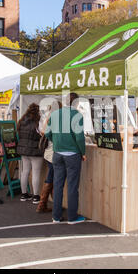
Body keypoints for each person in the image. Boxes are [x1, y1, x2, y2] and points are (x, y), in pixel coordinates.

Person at [45, 93, 86, 224]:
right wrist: (83, 152)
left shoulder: (55, 114)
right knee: (72, 187)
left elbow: (47, 133)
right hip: (72, 155)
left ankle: (56, 217)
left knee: (58, 186)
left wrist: (57, 142)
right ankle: (72, 218)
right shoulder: (77, 115)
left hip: (57, 154)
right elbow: (79, 137)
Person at [36, 101, 62, 213]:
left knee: (51, 176)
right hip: (53, 152)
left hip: (48, 152)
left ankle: (44, 204)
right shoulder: (56, 119)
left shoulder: (48, 118)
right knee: (54, 177)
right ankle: (47, 205)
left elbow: (43, 132)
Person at [16, 103, 44, 205]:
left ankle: (24, 194)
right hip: (35, 150)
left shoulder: (22, 121)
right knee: (36, 173)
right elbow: (42, 133)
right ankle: (36, 196)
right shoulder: (38, 122)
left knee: (25, 171)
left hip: (23, 150)